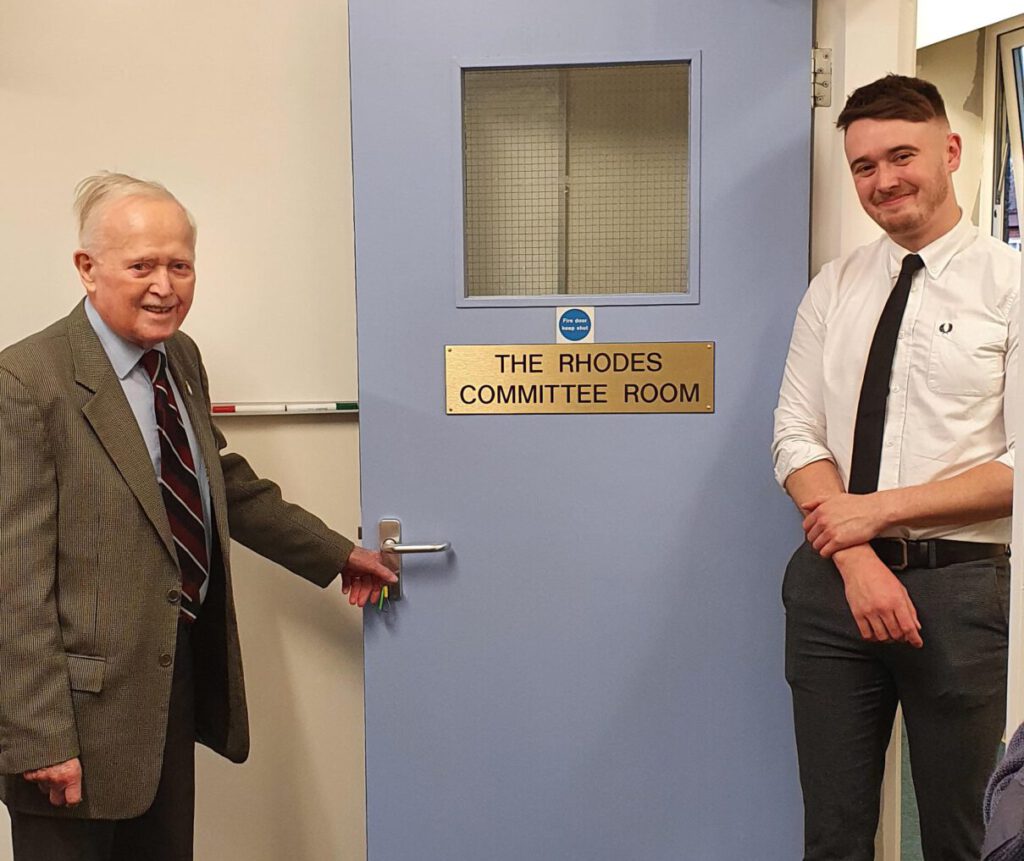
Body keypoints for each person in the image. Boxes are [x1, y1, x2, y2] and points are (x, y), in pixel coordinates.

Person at [0, 172, 397, 860]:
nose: (165, 284)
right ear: (87, 269)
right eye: (142, 265)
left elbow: (219, 485)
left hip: (165, 689)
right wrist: (39, 736)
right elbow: (14, 582)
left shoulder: (178, 357)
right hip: (71, 721)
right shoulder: (26, 384)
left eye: (179, 264)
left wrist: (335, 554)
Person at [773, 75, 1019, 860]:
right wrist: (854, 556)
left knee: (963, 830)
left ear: (949, 153)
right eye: (863, 165)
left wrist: (875, 511)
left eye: (901, 155)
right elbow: (794, 435)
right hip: (833, 590)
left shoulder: (1010, 287)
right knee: (835, 833)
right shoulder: (835, 287)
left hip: (961, 592)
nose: (882, 181)